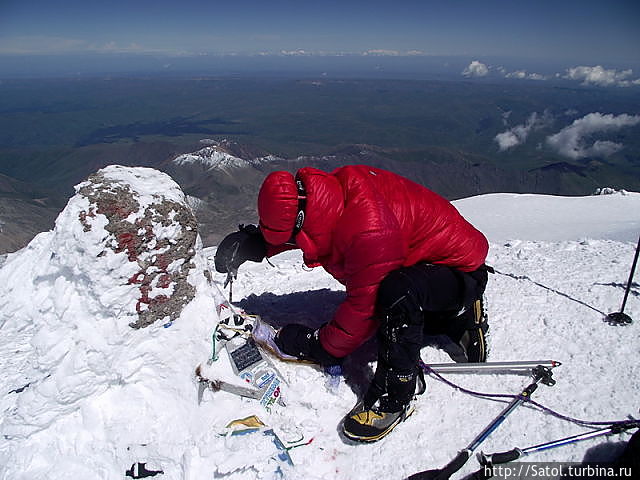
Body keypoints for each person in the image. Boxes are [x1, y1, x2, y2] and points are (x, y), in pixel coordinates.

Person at [215, 165, 490, 443]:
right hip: (428, 261)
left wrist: (319, 345)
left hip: (460, 272)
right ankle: (451, 317)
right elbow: (308, 227)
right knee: (400, 296)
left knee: (396, 294)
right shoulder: (328, 196)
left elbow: (365, 307)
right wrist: (260, 242)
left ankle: (395, 393)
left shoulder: (368, 229)